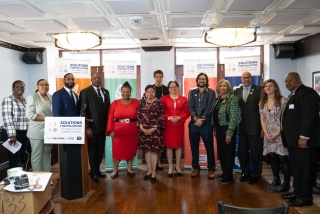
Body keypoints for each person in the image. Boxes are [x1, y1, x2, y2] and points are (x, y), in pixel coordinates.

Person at [280, 72, 320, 207]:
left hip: (303, 142)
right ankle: (297, 192)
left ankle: (305, 197)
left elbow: (309, 117)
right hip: (293, 142)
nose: (288, 83)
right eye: (286, 81)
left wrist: (304, 137)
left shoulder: (307, 93)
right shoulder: (294, 95)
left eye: (291, 80)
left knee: (305, 171)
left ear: (299, 79)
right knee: (297, 170)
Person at [52, 73, 82, 198]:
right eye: (68, 79)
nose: (71, 81)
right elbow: (57, 114)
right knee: (66, 161)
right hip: (64, 134)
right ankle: (67, 191)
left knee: (75, 161)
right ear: (64, 80)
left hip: (75, 133)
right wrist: (61, 132)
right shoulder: (58, 94)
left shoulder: (75, 95)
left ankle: (76, 188)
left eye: (72, 79)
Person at [259, 79, 290, 192]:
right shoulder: (262, 102)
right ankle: (276, 180)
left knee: (282, 157)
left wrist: (277, 133)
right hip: (268, 134)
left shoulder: (282, 100)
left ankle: (286, 184)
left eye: (270, 86)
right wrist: (266, 133)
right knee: (272, 157)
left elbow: (284, 118)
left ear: (275, 87)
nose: (268, 88)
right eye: (266, 86)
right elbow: (262, 119)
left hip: (279, 132)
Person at [79, 73, 110, 183]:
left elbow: (108, 111)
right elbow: (82, 111)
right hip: (92, 128)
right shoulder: (85, 92)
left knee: (100, 150)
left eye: (99, 78)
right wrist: (87, 128)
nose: (97, 79)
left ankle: (97, 169)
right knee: (92, 150)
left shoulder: (105, 92)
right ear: (91, 79)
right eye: (95, 78)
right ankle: (93, 171)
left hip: (103, 127)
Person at [106, 81, 140, 179]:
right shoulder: (115, 103)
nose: (126, 94)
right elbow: (110, 117)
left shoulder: (136, 102)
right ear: (121, 92)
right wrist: (111, 130)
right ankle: (115, 170)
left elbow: (141, 115)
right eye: (124, 92)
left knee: (130, 149)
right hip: (118, 131)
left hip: (132, 131)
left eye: (128, 92)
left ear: (131, 92)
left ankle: (129, 168)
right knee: (117, 151)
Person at [234, 71, 263, 184]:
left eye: (248, 77)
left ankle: (256, 173)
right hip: (241, 128)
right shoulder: (237, 91)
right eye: (244, 78)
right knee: (242, 152)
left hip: (255, 127)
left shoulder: (260, 90)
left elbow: (262, 111)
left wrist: (262, 128)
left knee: (256, 152)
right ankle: (245, 172)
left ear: (251, 78)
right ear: (241, 79)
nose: (246, 79)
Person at [188, 72, 216, 179]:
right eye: (200, 79)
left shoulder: (211, 92)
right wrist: (196, 119)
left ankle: (211, 168)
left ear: (207, 81)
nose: (201, 81)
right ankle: (195, 167)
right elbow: (191, 106)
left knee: (209, 147)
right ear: (197, 81)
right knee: (194, 147)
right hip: (194, 123)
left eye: (203, 79)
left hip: (207, 124)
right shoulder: (191, 92)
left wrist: (202, 119)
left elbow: (210, 107)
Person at [211, 79, 239, 184]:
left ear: (228, 88)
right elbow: (214, 115)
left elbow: (234, 117)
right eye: (221, 86)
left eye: (225, 86)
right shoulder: (217, 99)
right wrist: (214, 129)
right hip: (218, 129)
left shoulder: (232, 99)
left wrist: (229, 132)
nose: (222, 88)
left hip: (227, 129)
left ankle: (229, 176)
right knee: (222, 153)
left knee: (228, 153)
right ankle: (225, 172)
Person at [161, 81, 189, 177]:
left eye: (175, 86)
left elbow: (187, 112)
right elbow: (161, 112)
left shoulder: (183, 99)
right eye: (171, 87)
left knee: (178, 146)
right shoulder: (164, 99)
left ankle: (178, 166)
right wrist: (168, 118)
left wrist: (180, 117)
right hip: (168, 126)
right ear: (168, 89)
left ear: (178, 87)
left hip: (178, 126)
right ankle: (170, 167)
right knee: (169, 146)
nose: (173, 88)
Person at [138, 85, 164, 183]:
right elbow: (139, 117)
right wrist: (142, 129)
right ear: (145, 93)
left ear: (154, 93)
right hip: (143, 131)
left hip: (155, 131)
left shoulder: (158, 103)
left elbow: (161, 117)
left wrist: (153, 128)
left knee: (154, 151)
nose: (150, 94)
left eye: (152, 92)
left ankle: (154, 172)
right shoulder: (141, 103)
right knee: (147, 151)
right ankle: (149, 171)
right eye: (148, 92)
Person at [26, 79, 53, 172]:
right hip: (36, 131)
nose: (44, 86)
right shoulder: (32, 97)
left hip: (49, 130)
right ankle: (38, 178)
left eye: (46, 84)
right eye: (41, 85)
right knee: (37, 155)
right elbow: (30, 114)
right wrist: (47, 118)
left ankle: (46, 178)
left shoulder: (51, 96)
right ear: (37, 86)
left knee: (47, 154)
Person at [2, 80, 29, 169]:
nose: (20, 89)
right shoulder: (8, 99)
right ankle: (14, 180)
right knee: (14, 159)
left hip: (24, 133)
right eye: (17, 87)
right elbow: (7, 118)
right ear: (13, 89)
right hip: (12, 133)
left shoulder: (25, 101)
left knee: (21, 158)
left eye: (22, 87)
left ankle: (22, 179)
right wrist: (12, 135)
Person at [153, 69, 169, 170]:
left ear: (162, 77)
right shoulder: (151, 88)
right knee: (155, 141)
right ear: (154, 78)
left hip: (164, 116)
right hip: (152, 118)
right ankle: (155, 162)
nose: (158, 78)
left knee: (161, 140)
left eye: (160, 76)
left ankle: (159, 162)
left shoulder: (166, 89)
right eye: (157, 77)